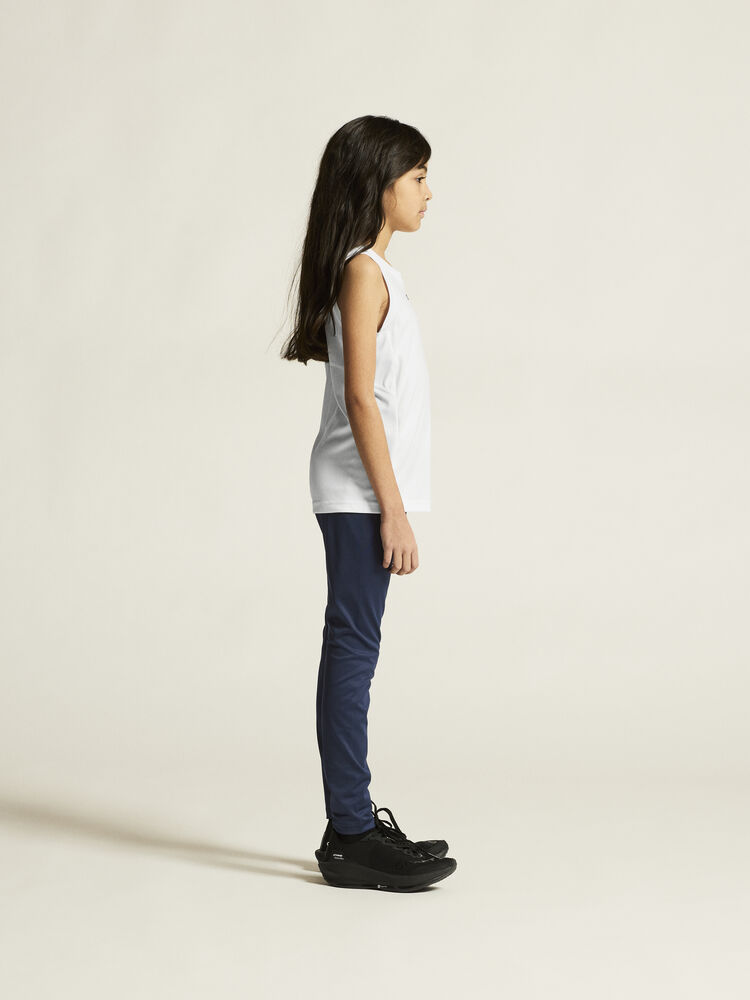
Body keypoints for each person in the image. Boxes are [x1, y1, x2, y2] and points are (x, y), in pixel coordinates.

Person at [280, 115, 457, 892]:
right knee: (353, 651)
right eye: (417, 177)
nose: (428, 192)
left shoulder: (377, 272)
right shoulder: (362, 272)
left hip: (364, 492)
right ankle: (350, 832)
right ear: (378, 185)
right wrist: (394, 508)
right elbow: (360, 399)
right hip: (359, 493)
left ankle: (351, 823)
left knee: (356, 649)